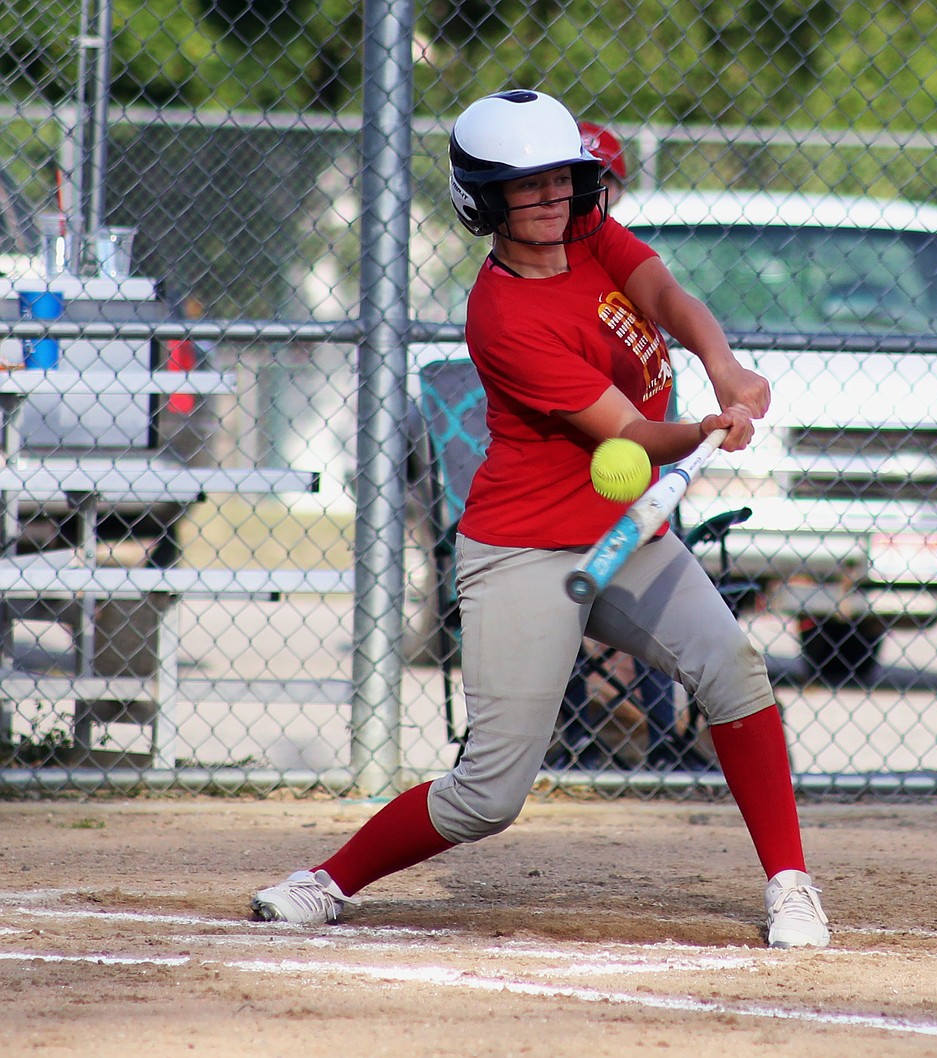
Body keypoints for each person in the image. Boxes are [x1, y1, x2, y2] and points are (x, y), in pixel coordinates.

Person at [251, 88, 830, 949]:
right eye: (530, 186)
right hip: (523, 551)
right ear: (484, 199)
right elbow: (632, 436)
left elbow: (666, 295)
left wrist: (724, 368)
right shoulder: (504, 315)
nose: (556, 197)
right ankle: (325, 880)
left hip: (626, 535)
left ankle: (790, 884)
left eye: (564, 178)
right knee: (489, 793)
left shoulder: (589, 232)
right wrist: (704, 431)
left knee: (732, 665)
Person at [550, 118, 701, 772]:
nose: (586, 198)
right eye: (570, 184)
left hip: (634, 469)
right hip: (567, 470)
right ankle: (563, 727)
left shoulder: (622, 256)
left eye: (598, 184)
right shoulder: (539, 265)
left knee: (656, 603)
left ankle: (661, 733)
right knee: (560, 603)